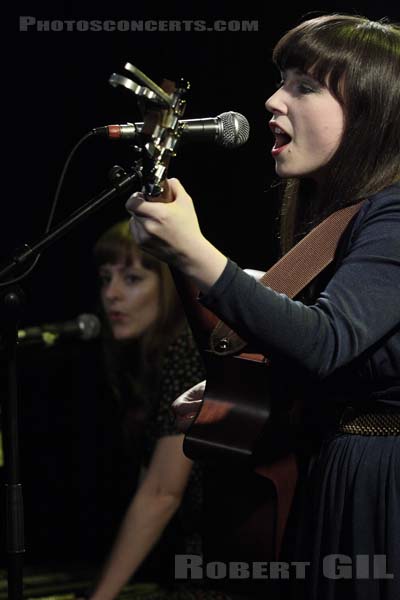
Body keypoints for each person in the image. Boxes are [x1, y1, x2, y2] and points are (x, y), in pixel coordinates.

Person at [125, 13, 400, 600]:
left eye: (304, 86)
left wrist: (196, 254)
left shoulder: (396, 214)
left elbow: (328, 341)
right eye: (281, 81)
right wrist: (264, 385)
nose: (274, 100)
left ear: (374, 108)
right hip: (343, 478)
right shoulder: (350, 217)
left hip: (381, 491)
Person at [85, 220, 212, 600]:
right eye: (106, 278)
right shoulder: (148, 361)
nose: (112, 294)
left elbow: (162, 492)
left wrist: (101, 597)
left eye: (133, 279)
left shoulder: (186, 353)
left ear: (168, 289)